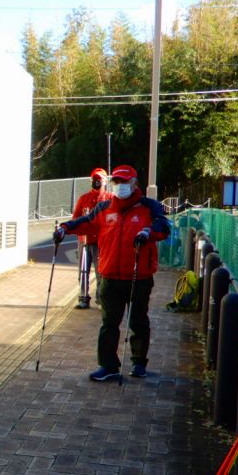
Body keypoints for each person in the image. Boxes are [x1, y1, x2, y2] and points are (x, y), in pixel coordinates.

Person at [55, 164, 171, 382]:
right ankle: (107, 365)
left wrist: (148, 232)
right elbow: (85, 222)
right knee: (109, 323)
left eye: (125, 182)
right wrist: (64, 228)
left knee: (138, 321)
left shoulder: (148, 207)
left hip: (139, 276)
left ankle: (138, 363)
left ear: (135, 183)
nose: (120, 186)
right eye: (116, 182)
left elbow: (163, 228)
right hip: (109, 276)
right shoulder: (106, 207)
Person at [71, 167, 107, 309]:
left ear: (105, 181)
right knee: (83, 270)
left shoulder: (109, 198)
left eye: (99, 179)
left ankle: (101, 299)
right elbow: (75, 219)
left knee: (101, 271)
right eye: (94, 179)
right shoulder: (84, 198)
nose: (97, 182)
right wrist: (80, 231)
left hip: (101, 242)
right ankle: (83, 297)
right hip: (84, 241)